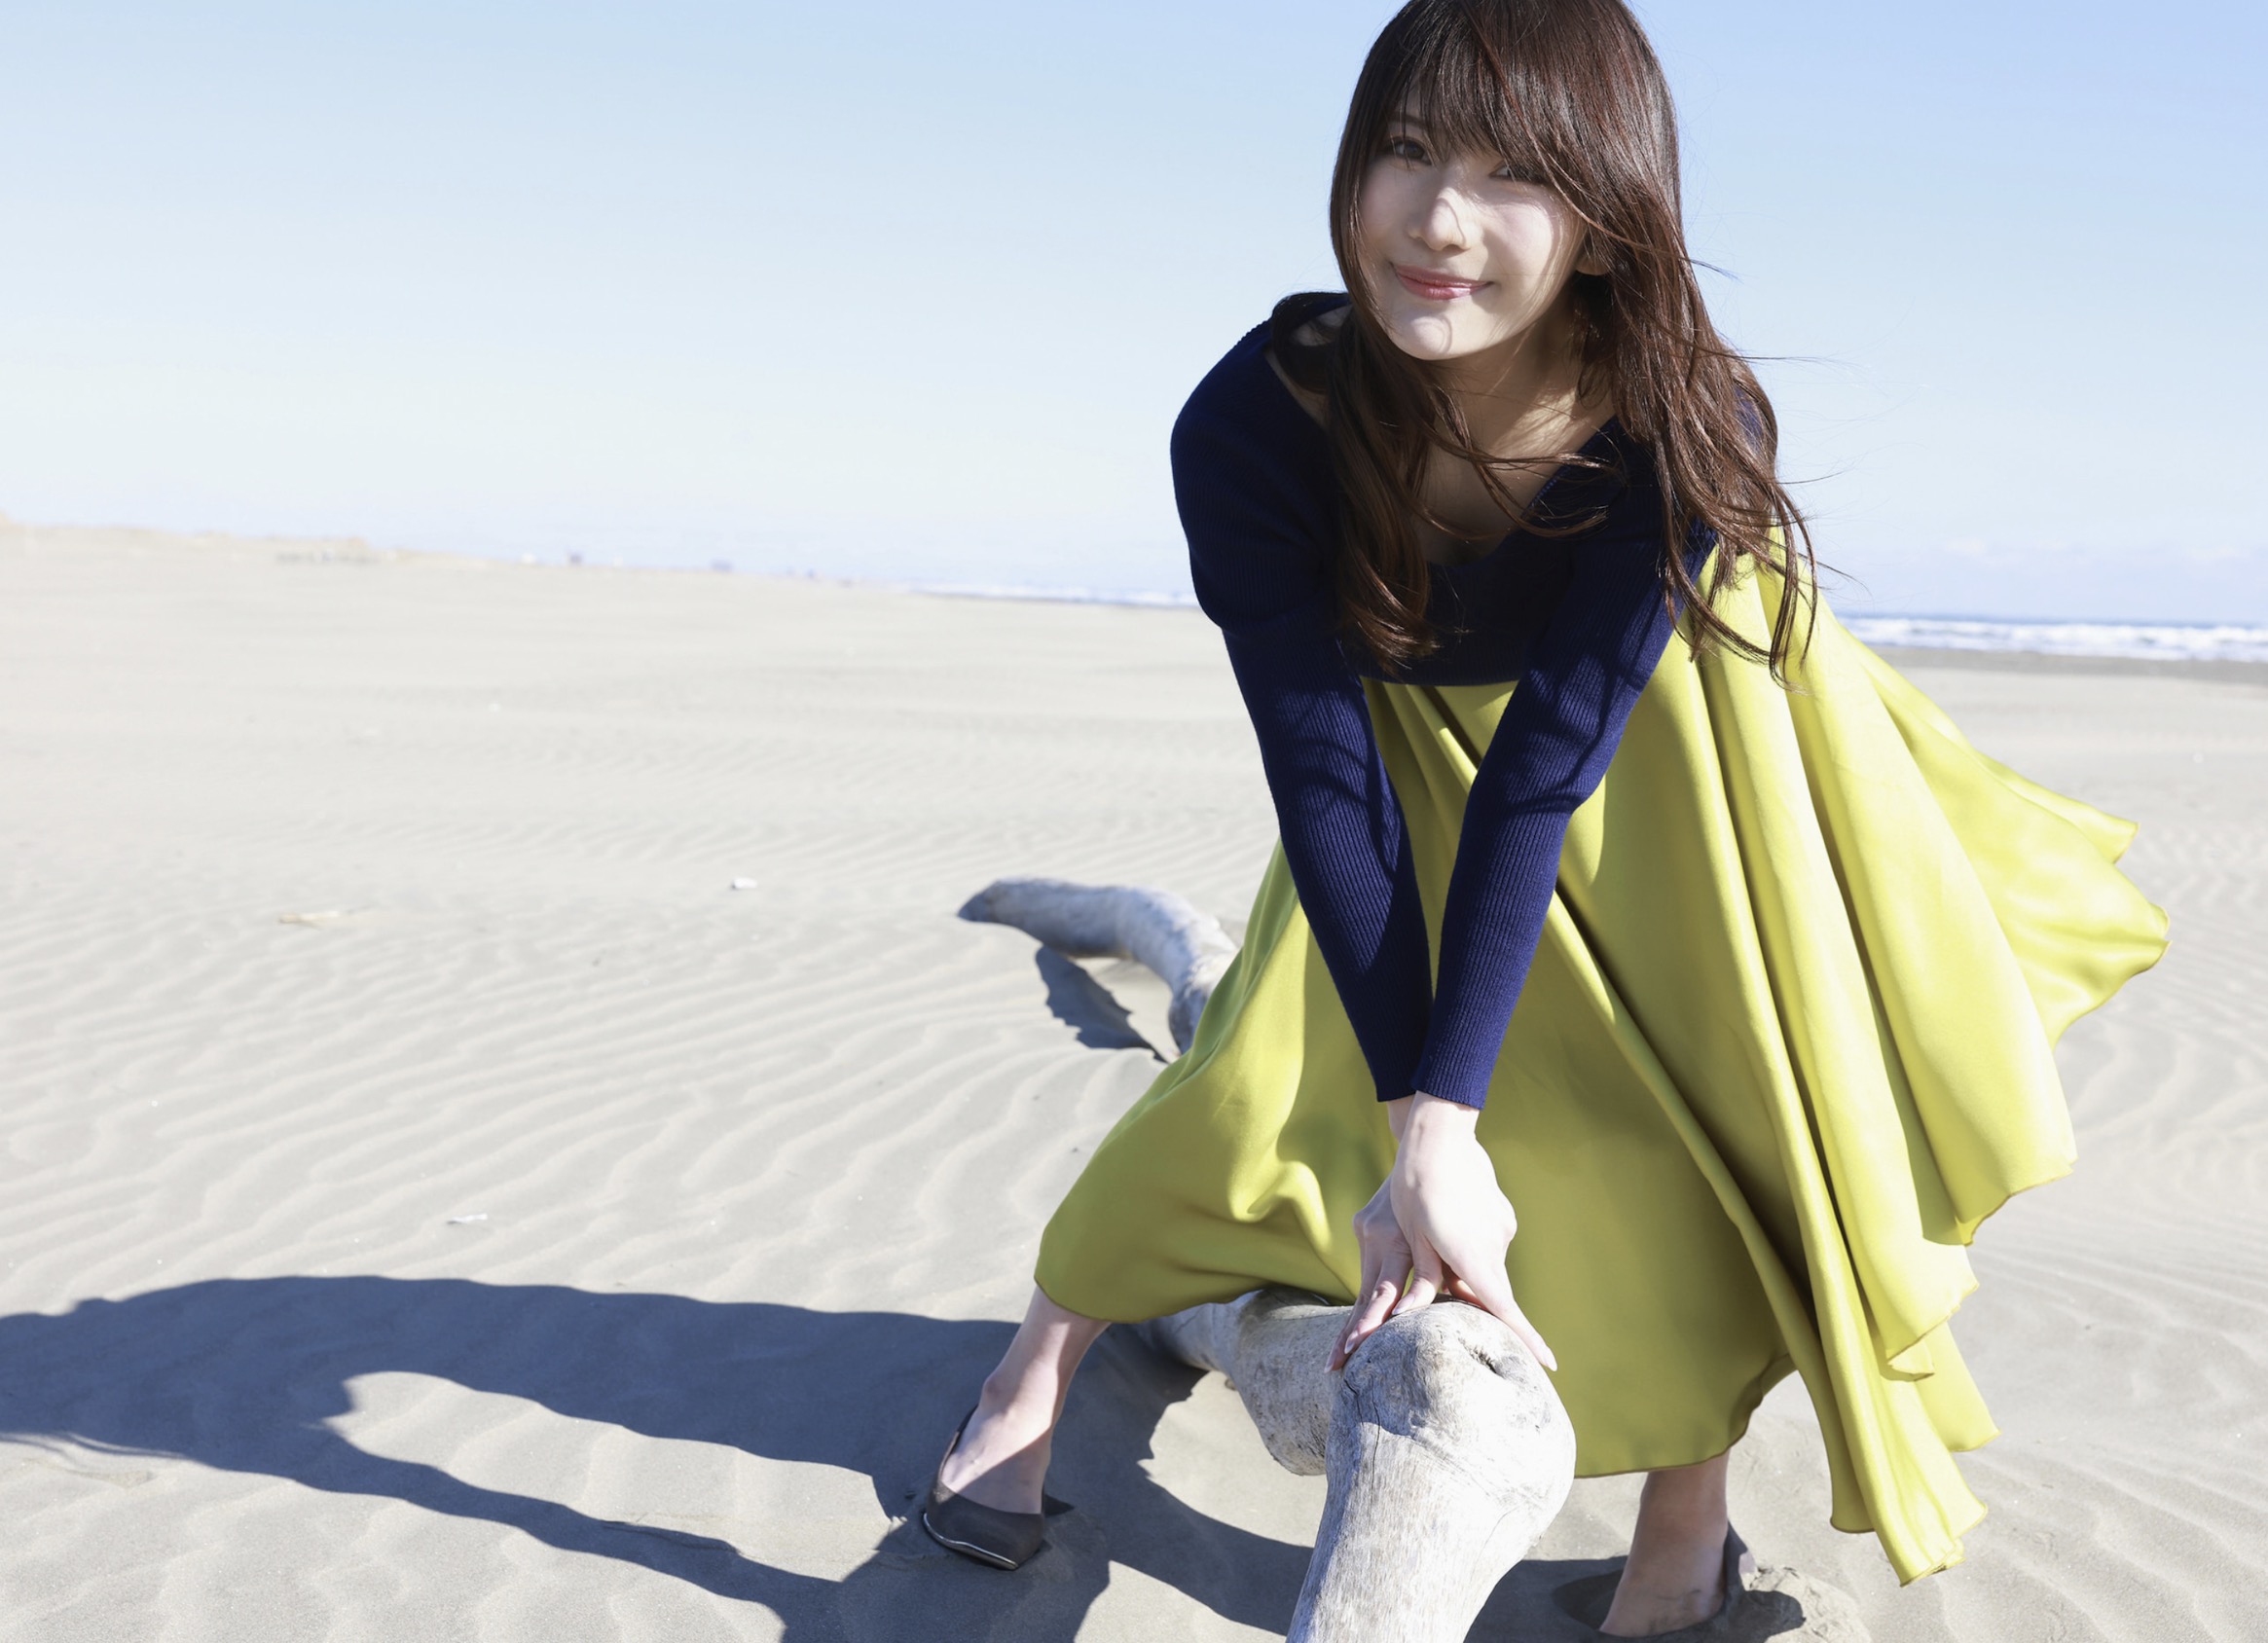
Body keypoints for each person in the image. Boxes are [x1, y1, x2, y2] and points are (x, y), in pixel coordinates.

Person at [920, 0, 2169, 1634]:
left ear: (1603, 217)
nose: (1439, 220)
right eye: (1405, 151)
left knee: (1707, 1117)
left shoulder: (1680, 417)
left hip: (1700, 745)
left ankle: (1683, 1530)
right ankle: (1029, 1371)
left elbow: (1554, 761)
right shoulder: (1252, 424)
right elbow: (1321, 766)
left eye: (1514, 176)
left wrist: (1438, 1132)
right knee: (1257, 1079)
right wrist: (1416, 1122)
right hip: (1400, 750)